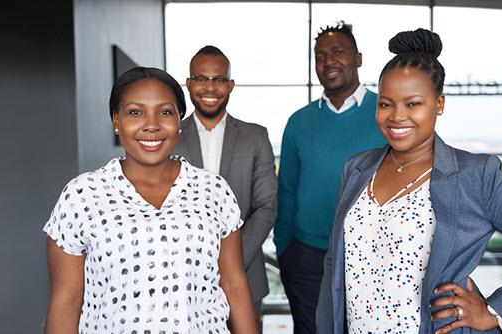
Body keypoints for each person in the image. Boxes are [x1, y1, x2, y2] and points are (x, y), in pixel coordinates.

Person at [316, 28, 502, 334]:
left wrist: (496, 311)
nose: (396, 116)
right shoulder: (357, 168)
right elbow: (334, 265)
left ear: (439, 104)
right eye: (386, 104)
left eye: (413, 103)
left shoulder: (474, 176)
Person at [43, 67, 258, 334]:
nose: (152, 124)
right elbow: (67, 301)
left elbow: (235, 287)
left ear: (180, 121)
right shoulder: (82, 195)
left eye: (165, 112)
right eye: (135, 112)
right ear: (116, 120)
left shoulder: (214, 190)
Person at [274, 22, 386, 333]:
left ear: (359, 58)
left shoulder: (386, 112)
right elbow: (287, 190)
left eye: (338, 52)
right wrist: (286, 251)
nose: (328, 61)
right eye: (320, 55)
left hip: (372, 255)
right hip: (307, 258)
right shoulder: (298, 122)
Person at [174, 45, 277, 327]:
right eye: (201, 78)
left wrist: (230, 264)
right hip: (181, 279)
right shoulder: (169, 136)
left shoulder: (255, 137)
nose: (210, 87)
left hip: (244, 275)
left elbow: (266, 207)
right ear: (189, 83)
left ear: (230, 85)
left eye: (218, 79)